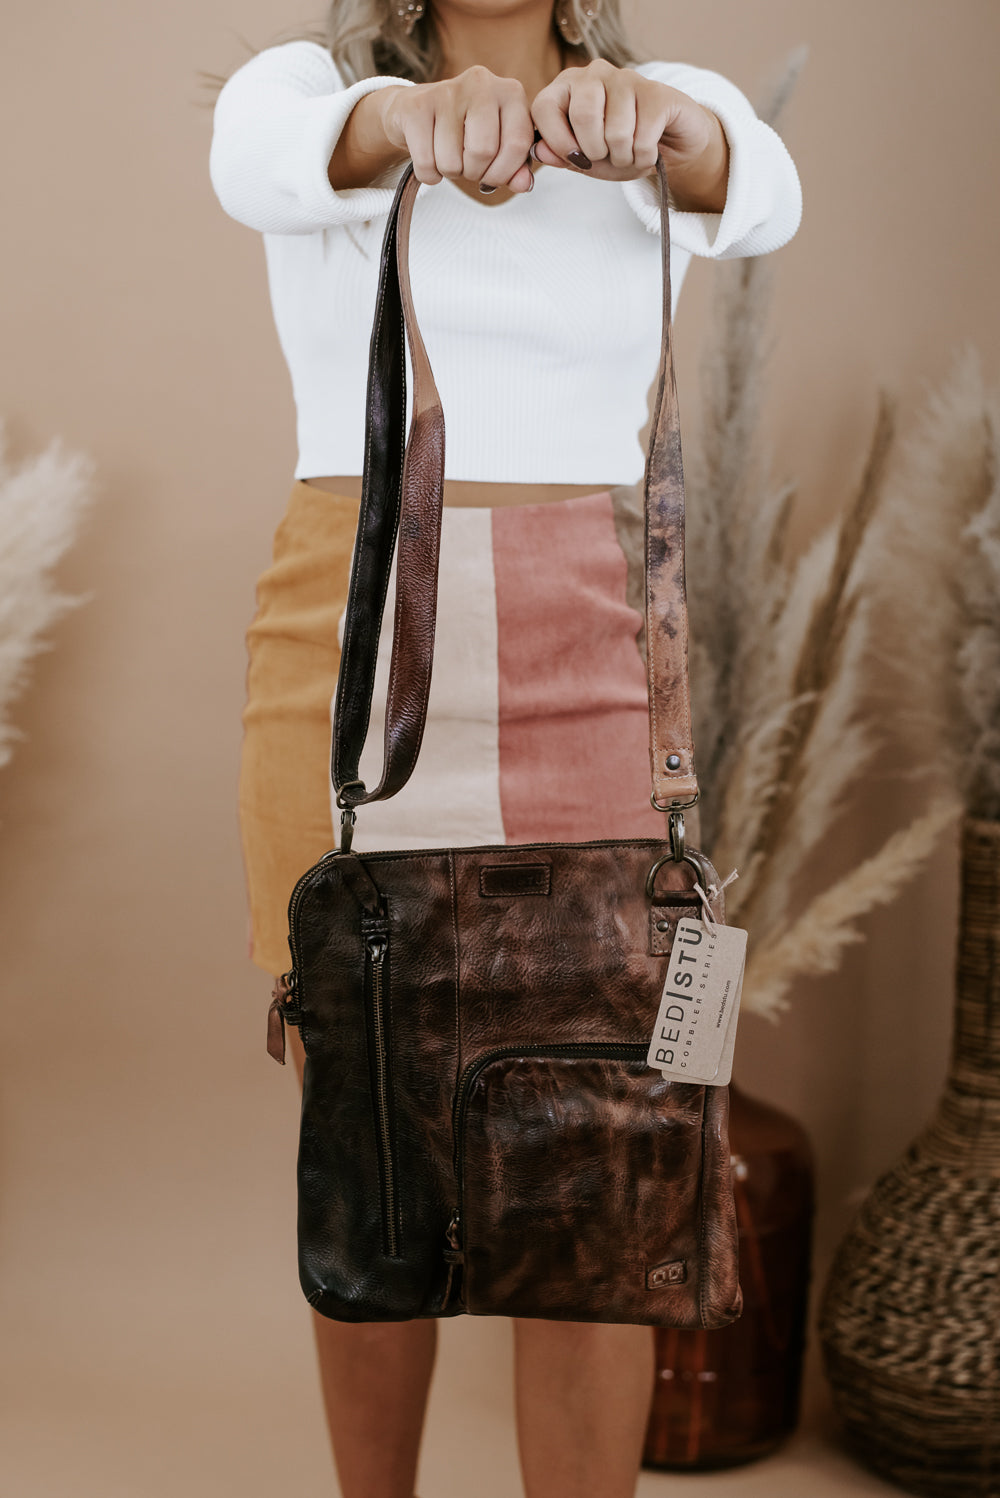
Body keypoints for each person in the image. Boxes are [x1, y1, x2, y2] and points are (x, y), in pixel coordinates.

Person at [209, 2, 801, 1495]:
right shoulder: (308, 87)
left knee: (602, 1150)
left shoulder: (657, 99)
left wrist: (670, 127)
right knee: (367, 1137)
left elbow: (763, 189)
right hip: (355, 655)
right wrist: (408, 122)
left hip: (587, 650)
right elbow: (261, 162)